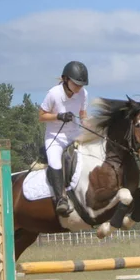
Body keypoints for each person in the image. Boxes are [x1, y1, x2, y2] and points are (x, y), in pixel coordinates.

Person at [39, 61, 89, 216]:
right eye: (76, 84)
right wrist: (58, 116)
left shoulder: (83, 94)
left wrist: (87, 125)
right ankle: (61, 198)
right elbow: (41, 116)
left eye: (81, 85)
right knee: (54, 160)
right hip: (55, 135)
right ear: (66, 79)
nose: (79, 88)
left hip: (74, 132)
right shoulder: (54, 93)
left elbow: (82, 113)